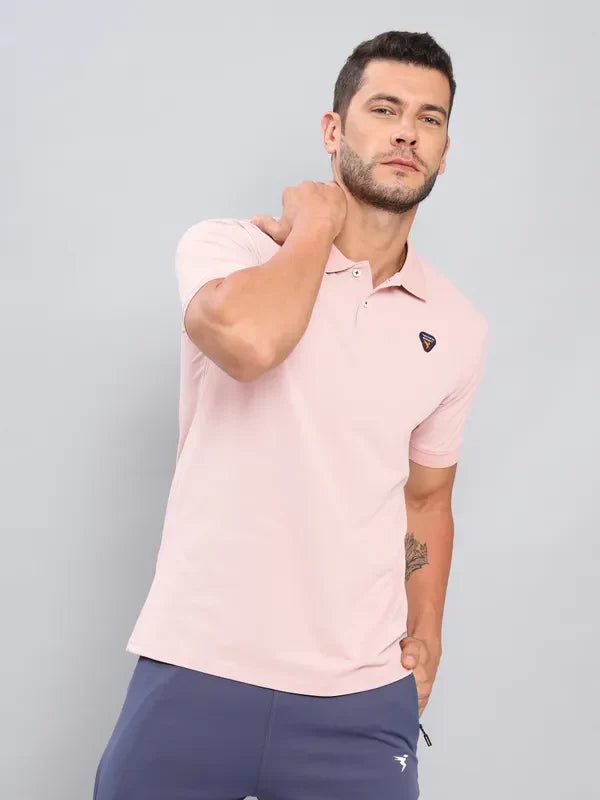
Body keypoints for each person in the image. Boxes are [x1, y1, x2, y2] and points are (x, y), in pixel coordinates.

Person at [93, 29, 489, 800]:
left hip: (359, 697)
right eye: (384, 109)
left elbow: (427, 497)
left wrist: (428, 632)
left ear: (444, 151)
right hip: (199, 667)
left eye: (430, 118)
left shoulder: (458, 326)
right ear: (333, 131)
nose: (407, 132)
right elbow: (250, 345)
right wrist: (314, 228)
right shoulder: (230, 250)